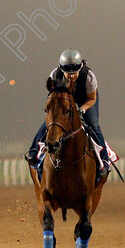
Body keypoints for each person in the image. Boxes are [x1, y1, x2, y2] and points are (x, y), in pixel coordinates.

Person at [25, 49, 112, 181]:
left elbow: (92, 99)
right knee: (51, 123)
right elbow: (53, 97)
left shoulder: (89, 77)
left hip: (86, 99)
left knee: (94, 125)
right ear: (61, 70)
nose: (72, 76)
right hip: (63, 98)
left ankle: (103, 161)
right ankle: (34, 152)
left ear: (80, 68)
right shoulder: (55, 75)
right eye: (68, 73)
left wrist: (82, 110)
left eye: (75, 73)